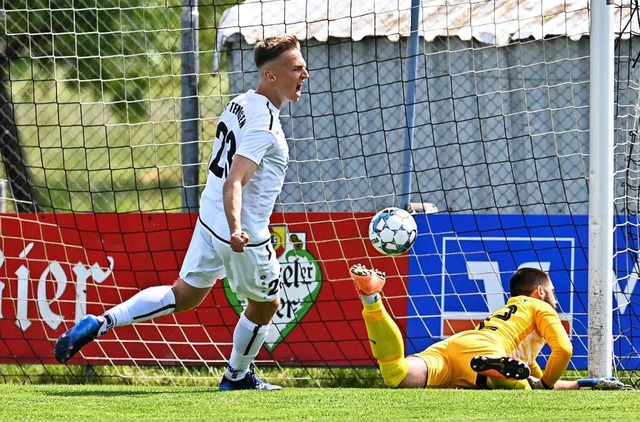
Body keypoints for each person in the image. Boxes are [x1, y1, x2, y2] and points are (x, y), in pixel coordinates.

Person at [54, 34, 310, 391]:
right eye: (296, 68)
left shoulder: (240, 102)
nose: (305, 74)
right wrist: (237, 227)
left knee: (184, 295)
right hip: (241, 232)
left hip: (209, 218)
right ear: (270, 76)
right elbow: (234, 180)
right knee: (267, 305)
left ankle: (102, 321)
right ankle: (236, 377)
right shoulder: (265, 126)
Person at [349, 264, 632, 390]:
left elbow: (536, 377)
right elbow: (564, 349)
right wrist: (544, 385)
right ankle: (494, 371)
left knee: (396, 374)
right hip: (487, 353)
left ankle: (371, 299)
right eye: (552, 291)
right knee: (520, 388)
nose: (555, 297)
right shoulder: (541, 308)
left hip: (455, 345)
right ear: (540, 292)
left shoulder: (508, 317)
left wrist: (586, 384)